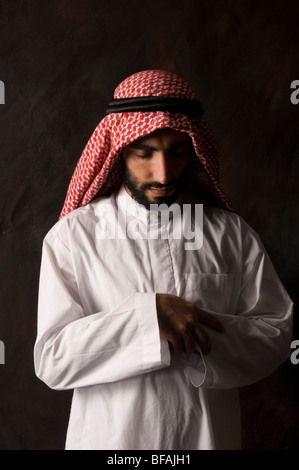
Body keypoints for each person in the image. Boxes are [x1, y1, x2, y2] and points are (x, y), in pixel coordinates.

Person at [34, 70, 293, 450]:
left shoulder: (231, 234)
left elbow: (274, 333)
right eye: (145, 153)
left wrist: (193, 333)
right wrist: (147, 320)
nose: (163, 173)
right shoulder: (74, 237)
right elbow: (53, 360)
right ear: (119, 149)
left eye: (177, 152)